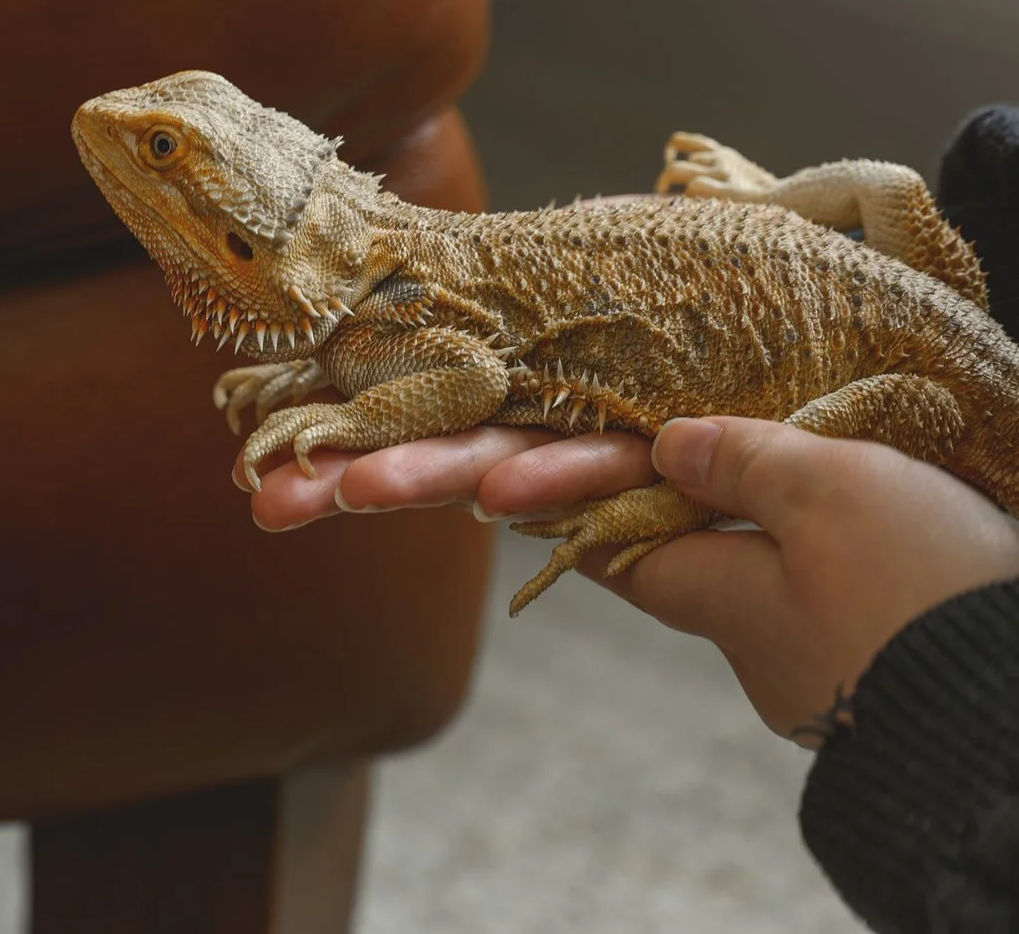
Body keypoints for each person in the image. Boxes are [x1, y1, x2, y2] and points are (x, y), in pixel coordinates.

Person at [245, 107, 1019, 934]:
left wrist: (950, 667)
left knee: (768, 450)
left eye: (165, 152)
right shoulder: (377, 297)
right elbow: (889, 194)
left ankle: (689, 493)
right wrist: (777, 213)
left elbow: (466, 375)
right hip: (953, 331)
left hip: (944, 392)